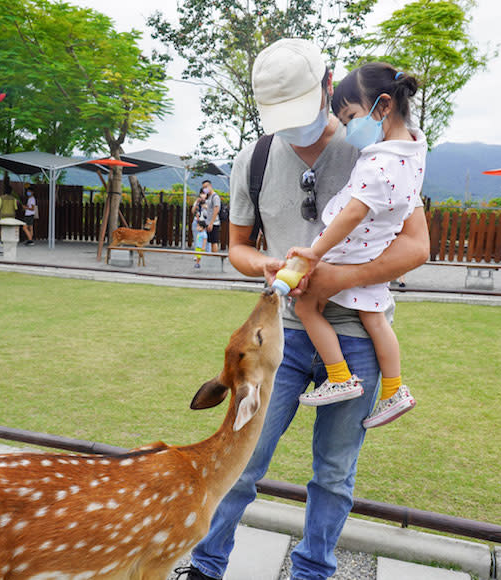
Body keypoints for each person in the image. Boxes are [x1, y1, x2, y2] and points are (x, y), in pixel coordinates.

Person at [176, 38, 429, 580]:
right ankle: (205, 566)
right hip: (280, 342)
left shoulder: (375, 144)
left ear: (328, 83)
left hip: (357, 338)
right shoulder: (256, 156)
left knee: (333, 475)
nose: (295, 126)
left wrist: (338, 276)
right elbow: (237, 248)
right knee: (241, 462)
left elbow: (417, 246)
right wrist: (265, 265)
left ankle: (313, 572)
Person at [286, 63, 423, 428]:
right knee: (374, 316)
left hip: (353, 246)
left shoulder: (377, 163)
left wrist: (315, 252)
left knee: (305, 306)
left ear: (383, 106)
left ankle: (339, 375)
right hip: (378, 246)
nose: (349, 129)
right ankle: (393, 389)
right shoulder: (413, 148)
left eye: (351, 117)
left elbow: (352, 213)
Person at [202, 180, 222, 252]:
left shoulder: (215, 196)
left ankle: (215, 257)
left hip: (214, 223)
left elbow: (216, 209)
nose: (204, 189)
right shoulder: (208, 197)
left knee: (214, 241)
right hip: (208, 222)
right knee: (210, 242)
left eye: (206, 187)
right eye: (203, 188)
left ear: (210, 186)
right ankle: (211, 256)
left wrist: (211, 223)